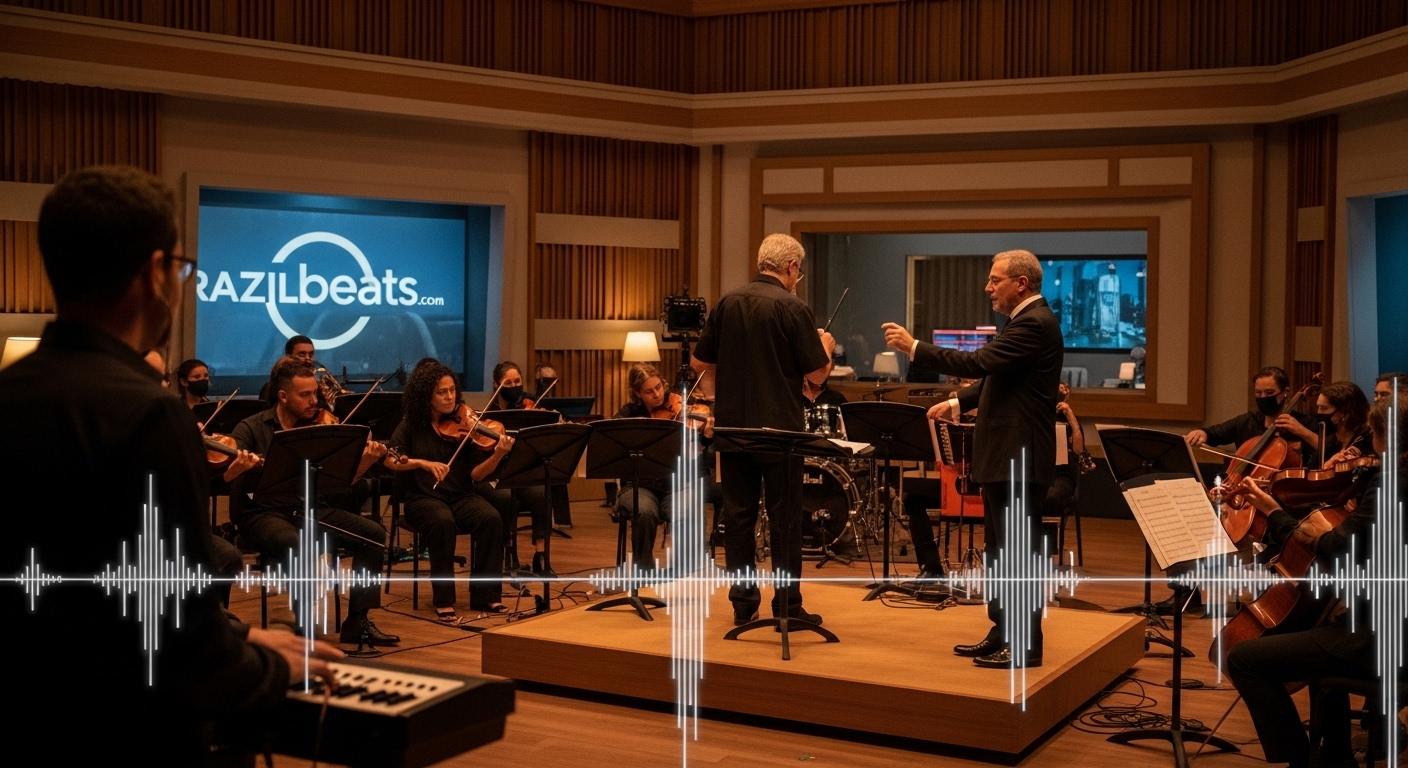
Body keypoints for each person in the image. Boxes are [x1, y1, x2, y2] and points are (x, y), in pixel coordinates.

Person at [0, 166, 341, 763]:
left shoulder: (10, 394)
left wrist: (240, 632)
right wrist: (268, 667)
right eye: (181, 269)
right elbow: (175, 640)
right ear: (154, 273)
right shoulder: (150, 414)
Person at [882, 248, 1063, 669]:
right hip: (1006, 457)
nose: (988, 287)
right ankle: (1002, 632)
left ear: (1021, 283)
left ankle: (1025, 646)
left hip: (1019, 459)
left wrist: (915, 347)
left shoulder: (1034, 323)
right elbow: (997, 377)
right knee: (1000, 552)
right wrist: (957, 402)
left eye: (995, 280)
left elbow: (979, 362)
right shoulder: (1024, 322)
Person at [1226, 391, 1406, 768]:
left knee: (1244, 658)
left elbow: (1338, 547)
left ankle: (1299, 761)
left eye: (1372, 434)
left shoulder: (1391, 483)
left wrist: (1275, 512)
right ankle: (1336, 755)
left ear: (1384, 436)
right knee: (1317, 630)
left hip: (1381, 639)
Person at [692, 233, 835, 627]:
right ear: (791, 267)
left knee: (738, 517)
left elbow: (700, 363)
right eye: (798, 272)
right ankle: (787, 605)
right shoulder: (793, 307)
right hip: (780, 434)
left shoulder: (727, 302)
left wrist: (718, 400)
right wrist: (825, 347)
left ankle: (742, 604)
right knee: (784, 519)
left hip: (733, 429)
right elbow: (816, 374)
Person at [224, 358, 400, 645]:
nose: (314, 401)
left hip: (309, 509)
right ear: (283, 396)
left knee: (373, 535)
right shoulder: (252, 428)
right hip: (263, 513)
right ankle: (304, 626)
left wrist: (365, 462)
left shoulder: (320, 429)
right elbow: (225, 476)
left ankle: (357, 621)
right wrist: (237, 468)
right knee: (295, 542)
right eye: (304, 395)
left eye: (314, 393)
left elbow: (339, 485)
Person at [383, 361, 508, 622]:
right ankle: (443, 599)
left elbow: (477, 475)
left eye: (452, 390)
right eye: (442, 392)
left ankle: (486, 595)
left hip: (460, 496)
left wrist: (497, 455)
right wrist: (422, 463)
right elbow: (391, 460)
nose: (450, 397)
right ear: (426, 396)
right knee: (442, 522)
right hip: (423, 499)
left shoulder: (466, 424)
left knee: (491, 518)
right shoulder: (410, 426)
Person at [611, 363, 721, 570]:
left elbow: (697, 453)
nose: (657, 394)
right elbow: (614, 445)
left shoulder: (679, 407)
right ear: (637, 393)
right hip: (638, 485)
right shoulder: (628, 414)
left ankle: (689, 568)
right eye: (649, 391)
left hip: (674, 486)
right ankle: (644, 571)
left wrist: (706, 437)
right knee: (644, 511)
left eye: (658, 387)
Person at [1184, 366, 1314, 461]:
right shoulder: (1247, 421)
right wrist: (1202, 433)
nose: (1263, 397)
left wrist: (1302, 431)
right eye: (1258, 393)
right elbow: (1214, 434)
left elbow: (1324, 450)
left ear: (1285, 392)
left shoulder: (1303, 422)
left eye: (1269, 393)